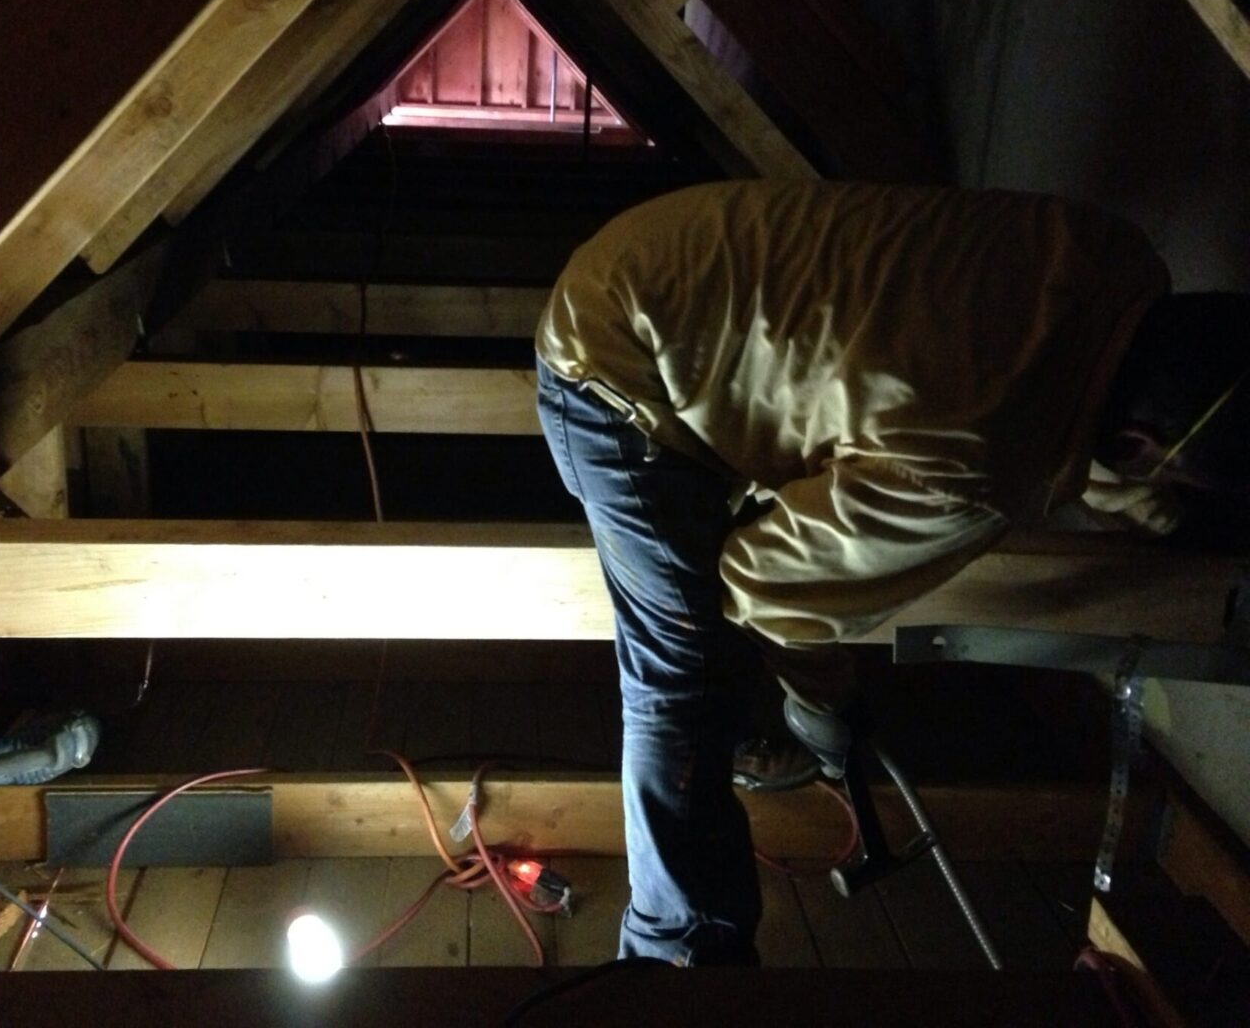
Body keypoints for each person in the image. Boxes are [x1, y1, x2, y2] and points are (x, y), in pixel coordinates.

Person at [533, 179, 1249, 966]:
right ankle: (680, 956)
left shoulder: (1108, 255)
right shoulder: (970, 468)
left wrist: (1181, 525)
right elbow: (766, 588)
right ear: (1144, 445)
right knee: (681, 666)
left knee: (716, 601)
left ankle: (732, 750)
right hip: (612, 376)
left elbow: (1078, 423)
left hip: (665, 262)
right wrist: (824, 706)